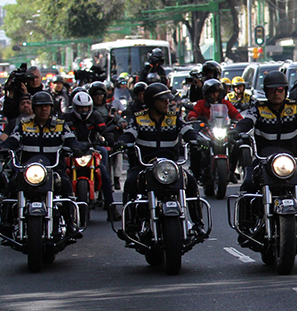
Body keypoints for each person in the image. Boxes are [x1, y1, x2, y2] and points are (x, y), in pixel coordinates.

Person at [232, 71, 297, 231]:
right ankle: (245, 225)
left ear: (285, 90)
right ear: (266, 91)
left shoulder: (295, 108)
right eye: (272, 90)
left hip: (291, 159)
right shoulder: (259, 108)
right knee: (247, 184)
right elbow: (247, 121)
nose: (276, 93)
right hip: (263, 159)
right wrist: (236, 131)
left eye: (280, 89)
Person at [118, 82, 206, 238]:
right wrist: (122, 142)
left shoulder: (174, 118)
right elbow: (129, 133)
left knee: (191, 182)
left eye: (168, 100)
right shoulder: (139, 119)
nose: (167, 103)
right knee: (131, 182)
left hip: (170, 166)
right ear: (152, 102)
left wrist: (198, 139)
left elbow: (187, 130)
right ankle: (129, 225)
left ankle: (198, 224)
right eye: (163, 100)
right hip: (145, 166)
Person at [0, 91, 87, 239]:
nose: (43, 109)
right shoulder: (24, 125)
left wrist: (76, 148)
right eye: (40, 106)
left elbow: (71, 139)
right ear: (34, 108)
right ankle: (7, 221)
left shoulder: (60, 125)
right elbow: (13, 139)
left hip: (53, 170)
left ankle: (71, 223)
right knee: (12, 185)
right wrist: (3, 148)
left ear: (51, 107)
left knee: (65, 186)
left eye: (46, 106)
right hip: (28, 170)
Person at [63, 91, 118, 220]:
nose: (83, 110)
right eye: (80, 108)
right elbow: (60, 131)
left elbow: (104, 130)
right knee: (61, 174)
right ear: (74, 106)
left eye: (86, 108)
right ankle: (60, 208)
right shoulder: (66, 118)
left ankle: (111, 208)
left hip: (91, 148)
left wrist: (109, 138)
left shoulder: (95, 116)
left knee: (103, 173)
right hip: (72, 150)